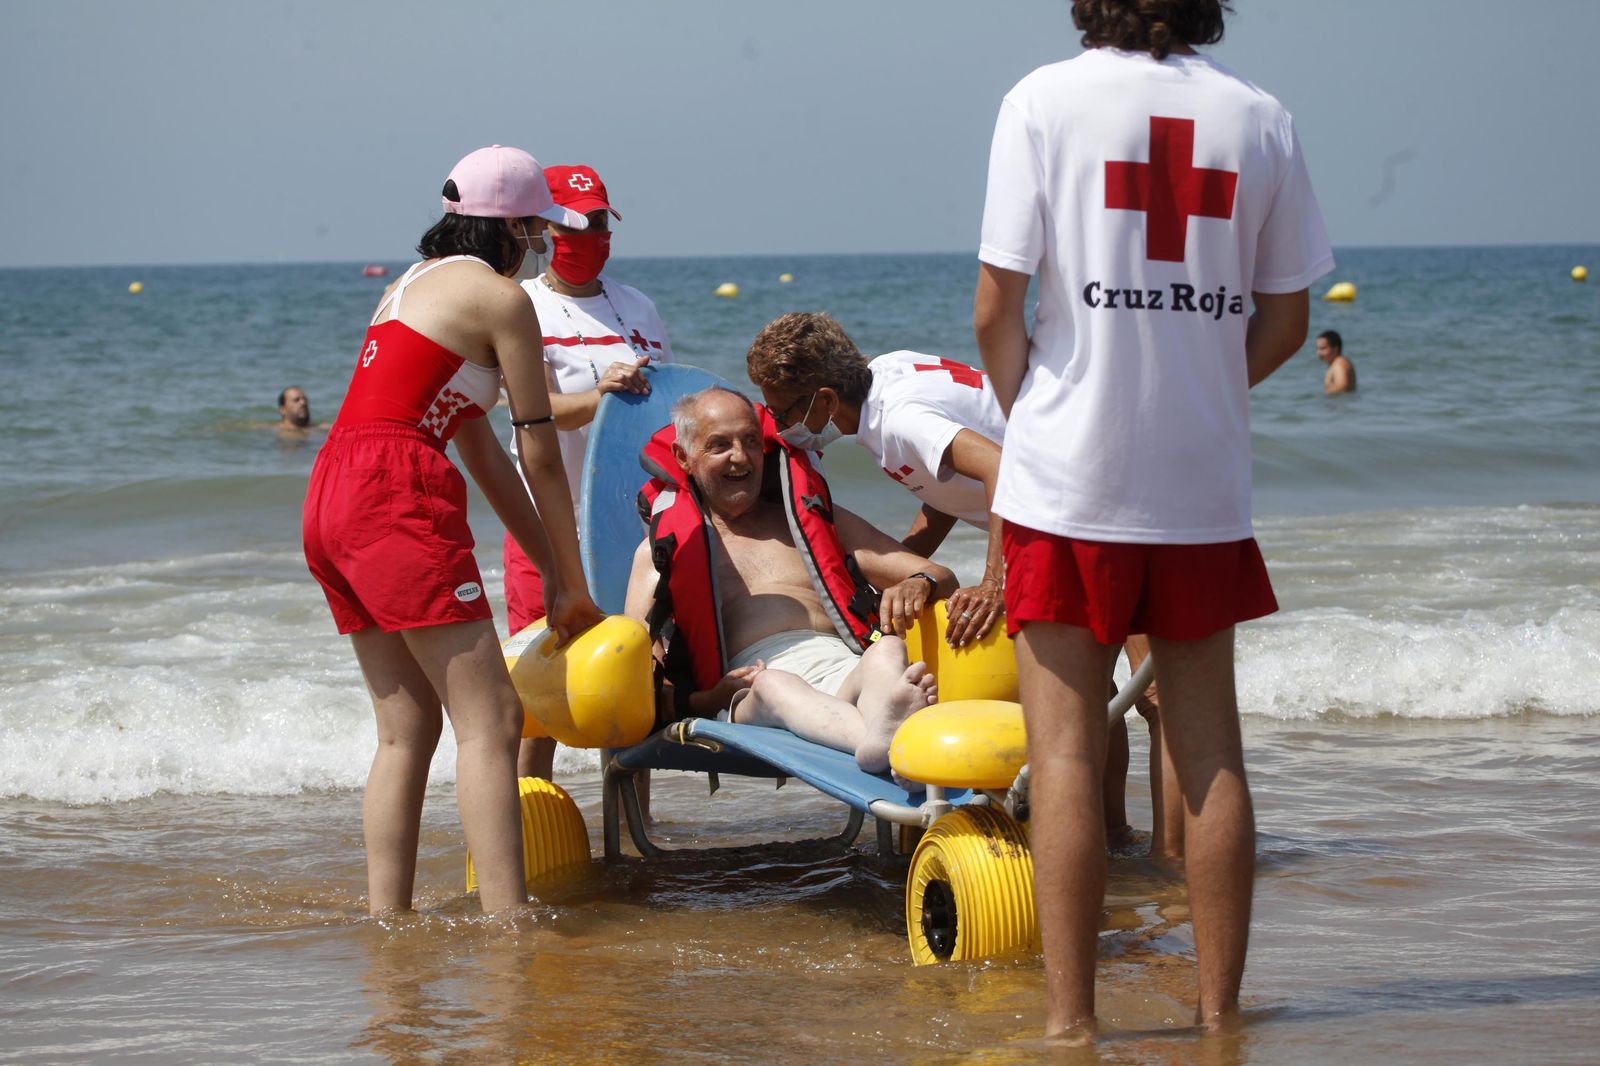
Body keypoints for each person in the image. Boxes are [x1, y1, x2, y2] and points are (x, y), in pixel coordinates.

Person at [974, 0, 1333, 1038]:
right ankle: (1220, 1016)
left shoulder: (1042, 98)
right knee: (1211, 747)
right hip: (1199, 478)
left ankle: (1071, 1025)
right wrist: (1206, 389)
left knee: (1068, 754)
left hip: (1066, 480)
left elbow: (997, 306)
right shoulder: (1259, 116)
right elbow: (1286, 317)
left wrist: (1031, 412)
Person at [744, 311, 1179, 853]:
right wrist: (907, 564)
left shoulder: (899, 420)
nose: (781, 426)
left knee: (1155, 697)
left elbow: (1000, 466)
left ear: (826, 401)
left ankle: (1174, 861)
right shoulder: (886, 377)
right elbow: (947, 482)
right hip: (1070, 511)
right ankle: (1115, 838)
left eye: (783, 411)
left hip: (1107, 509)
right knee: (1093, 692)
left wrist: (995, 582)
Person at [301, 145, 605, 915]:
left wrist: (556, 575)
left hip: (333, 489)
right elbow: (535, 449)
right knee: (494, 718)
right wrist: (571, 582)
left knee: (406, 729)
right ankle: (509, 923)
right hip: (392, 487)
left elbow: (480, 450)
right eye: (536, 233)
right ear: (519, 228)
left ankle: (388, 922)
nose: (537, 246)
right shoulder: (503, 301)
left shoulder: (413, 285)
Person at [622, 387, 957, 775]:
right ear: (684, 457)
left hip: (843, 671)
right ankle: (891, 746)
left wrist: (917, 583)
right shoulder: (663, 551)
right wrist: (706, 698)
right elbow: (639, 686)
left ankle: (884, 743)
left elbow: (940, 575)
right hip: (751, 694)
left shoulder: (811, 521)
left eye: (750, 441)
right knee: (774, 684)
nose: (740, 456)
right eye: (719, 445)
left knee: (888, 651)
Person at [503, 164, 673, 780]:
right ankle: (526, 822)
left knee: (626, 686)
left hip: (631, 531)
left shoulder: (638, 307)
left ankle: (629, 835)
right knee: (538, 697)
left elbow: (669, 408)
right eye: (573, 223)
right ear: (542, 228)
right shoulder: (521, 306)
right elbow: (533, 414)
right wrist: (602, 393)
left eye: (598, 222)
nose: (587, 235)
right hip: (548, 528)